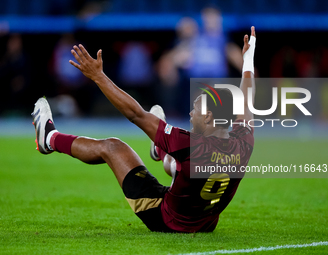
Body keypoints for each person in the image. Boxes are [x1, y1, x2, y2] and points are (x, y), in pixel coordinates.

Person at [32, 27, 256, 233]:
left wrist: (98, 77)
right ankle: (161, 151)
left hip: (166, 219)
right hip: (205, 222)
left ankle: (50, 139)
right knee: (184, 166)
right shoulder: (243, 141)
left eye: (195, 108)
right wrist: (248, 61)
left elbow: (136, 114)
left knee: (113, 147)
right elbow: (246, 100)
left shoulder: (188, 144)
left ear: (208, 116)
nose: (191, 113)